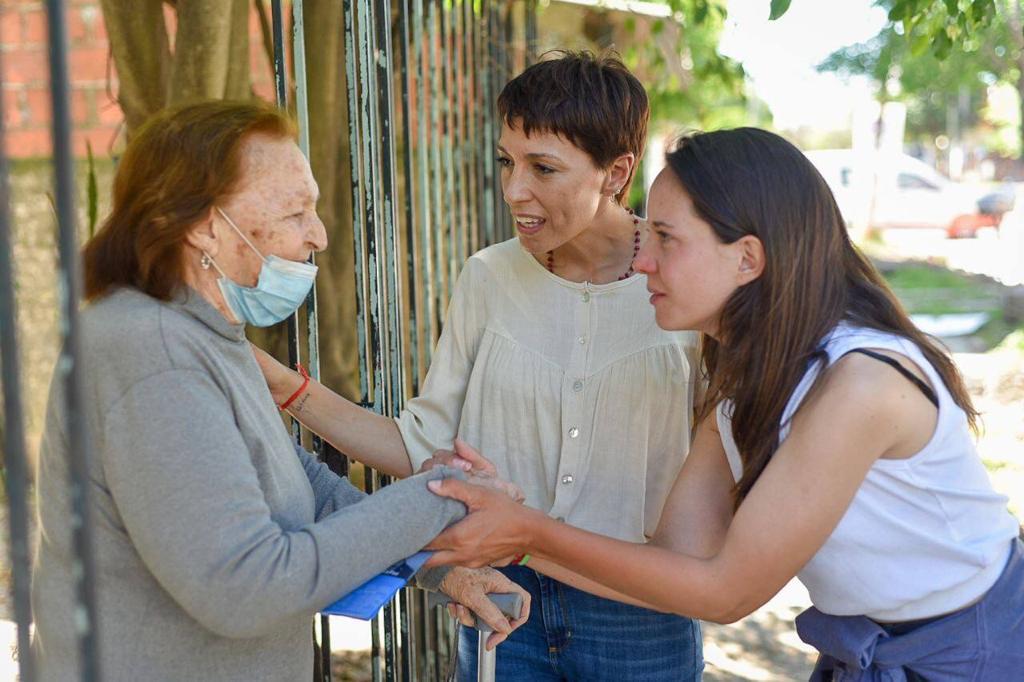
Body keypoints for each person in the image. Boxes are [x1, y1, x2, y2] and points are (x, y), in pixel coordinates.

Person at [423, 127, 1024, 680]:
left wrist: (525, 530)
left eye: (665, 237)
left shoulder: (859, 384)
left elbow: (726, 592)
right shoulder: (743, 385)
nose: (640, 260)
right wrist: (508, 533)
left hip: (974, 654)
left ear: (747, 259)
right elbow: (675, 569)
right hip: (867, 651)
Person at [30, 100, 527, 682]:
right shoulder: (152, 351)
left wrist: (440, 568)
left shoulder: (203, 333)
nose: (318, 234)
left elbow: (304, 489)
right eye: (296, 212)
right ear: (204, 226)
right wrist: (443, 495)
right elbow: (244, 587)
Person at [255, 52, 704, 681]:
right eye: (507, 161)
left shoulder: (685, 288)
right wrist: (282, 385)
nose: (515, 188)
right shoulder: (488, 277)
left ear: (617, 171)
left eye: (543, 167)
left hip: (639, 613)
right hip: (498, 596)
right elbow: (422, 449)